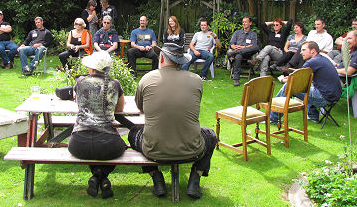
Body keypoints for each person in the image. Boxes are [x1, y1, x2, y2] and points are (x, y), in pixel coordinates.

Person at [126, 43, 217, 199]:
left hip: (153, 151)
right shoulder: (196, 80)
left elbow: (141, 109)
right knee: (211, 135)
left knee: (133, 133)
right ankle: (195, 178)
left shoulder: (147, 79)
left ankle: (156, 177)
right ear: (181, 61)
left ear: (161, 58)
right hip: (192, 150)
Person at [68, 52, 126, 199]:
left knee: (94, 150)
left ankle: (96, 176)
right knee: (120, 147)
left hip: (78, 144)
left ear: (92, 68)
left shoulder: (80, 82)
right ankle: (101, 174)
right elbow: (119, 110)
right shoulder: (115, 84)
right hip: (108, 144)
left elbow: (79, 105)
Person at [270, 41, 342, 124]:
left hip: (324, 98)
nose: (301, 53)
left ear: (313, 51)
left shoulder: (312, 62)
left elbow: (297, 80)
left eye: (304, 50)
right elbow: (302, 77)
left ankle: (273, 118)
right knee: (309, 84)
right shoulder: (322, 59)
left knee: (288, 86)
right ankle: (313, 116)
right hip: (334, 96)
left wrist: (283, 80)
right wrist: (291, 77)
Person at [227, 16, 260, 86]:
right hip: (238, 51)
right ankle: (236, 79)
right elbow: (231, 44)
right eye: (243, 22)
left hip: (248, 53)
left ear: (250, 23)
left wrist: (243, 47)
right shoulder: (237, 33)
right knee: (238, 56)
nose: (244, 23)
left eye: (245, 22)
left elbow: (253, 45)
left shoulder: (253, 34)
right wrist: (235, 47)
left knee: (256, 47)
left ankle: (235, 53)